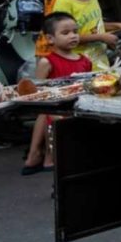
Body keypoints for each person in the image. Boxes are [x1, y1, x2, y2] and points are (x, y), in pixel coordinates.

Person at [23, 12, 93, 175]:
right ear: (50, 39)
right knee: (55, 119)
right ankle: (49, 159)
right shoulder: (47, 62)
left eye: (75, 32)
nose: (73, 36)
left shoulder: (85, 60)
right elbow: (40, 92)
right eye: (65, 33)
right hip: (56, 108)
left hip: (78, 105)